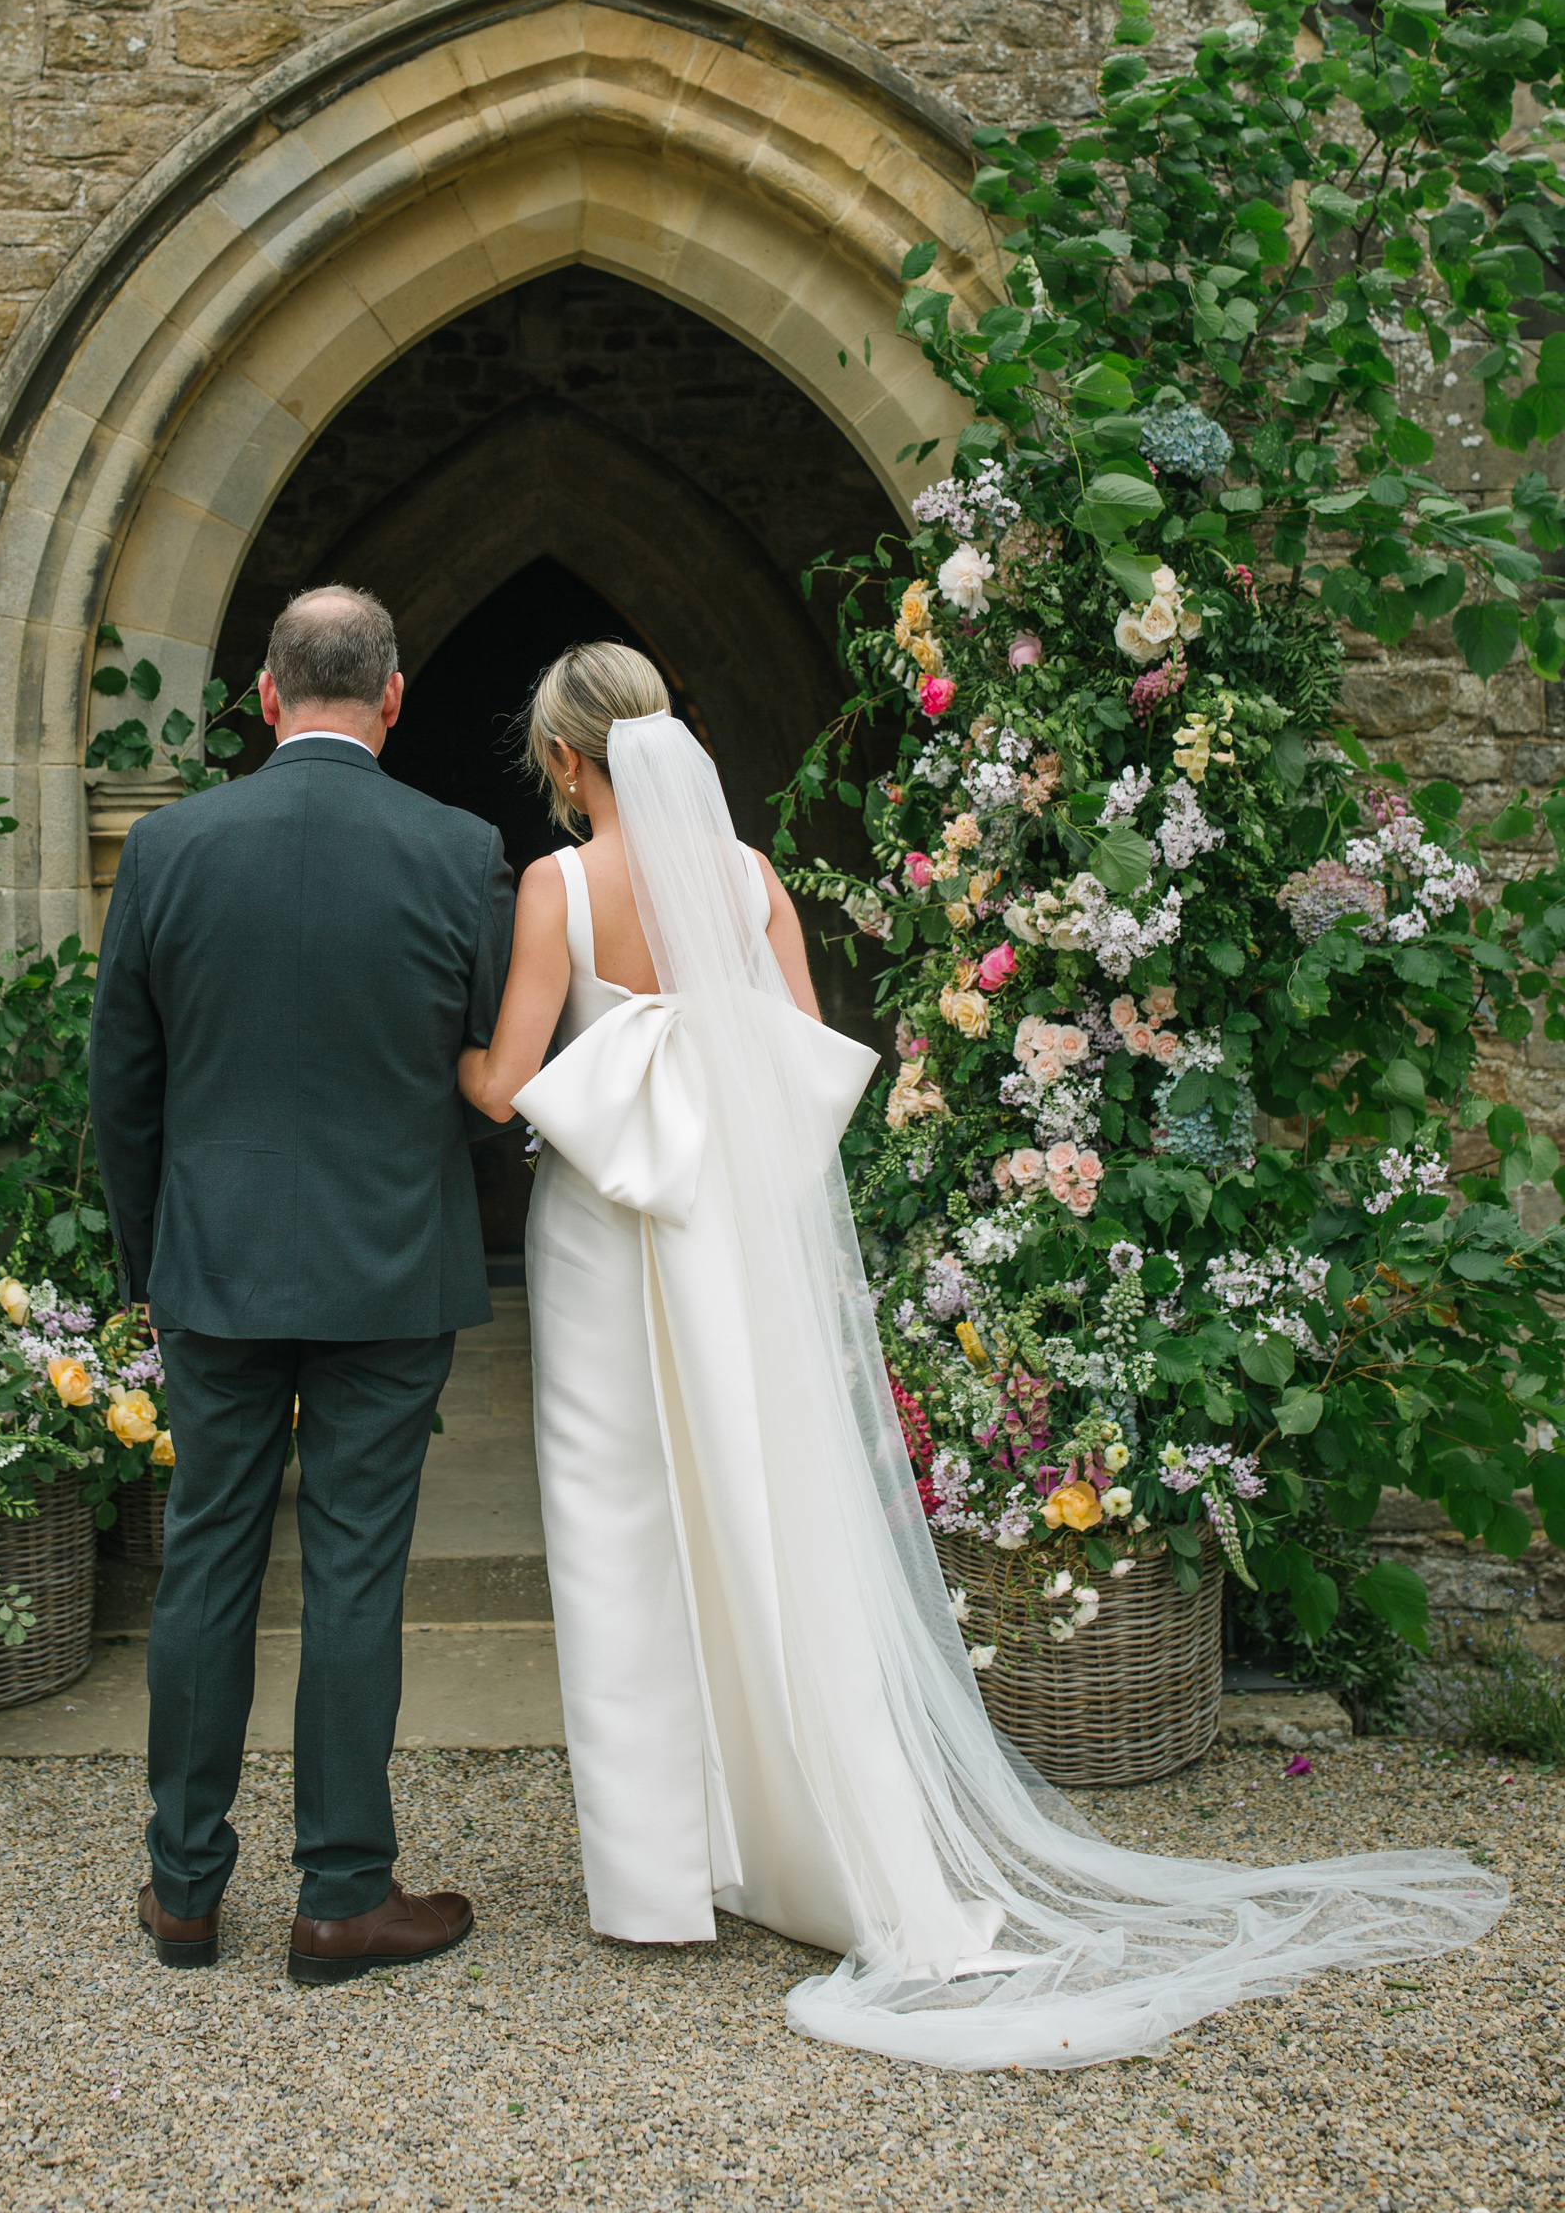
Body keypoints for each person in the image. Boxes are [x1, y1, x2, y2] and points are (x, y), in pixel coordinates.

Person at [459, 642, 1505, 2071]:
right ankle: (816, 1838)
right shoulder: (752, 882)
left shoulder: (557, 888)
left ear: (567, 762)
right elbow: (806, 1054)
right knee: (770, 1516)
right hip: (732, 1241)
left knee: (618, 1527)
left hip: (607, 1235)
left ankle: (655, 1873)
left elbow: (512, 1081)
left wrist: (457, 1061)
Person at [90, 584, 515, 1982]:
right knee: (352, 1573)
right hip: (390, 1263)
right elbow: (487, 1076)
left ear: (265, 697)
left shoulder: (169, 847)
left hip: (211, 1263)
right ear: (392, 698)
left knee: (205, 1561)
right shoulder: (460, 852)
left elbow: (125, 1088)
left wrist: (156, 1259)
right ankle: (341, 1893)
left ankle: (184, 1891)